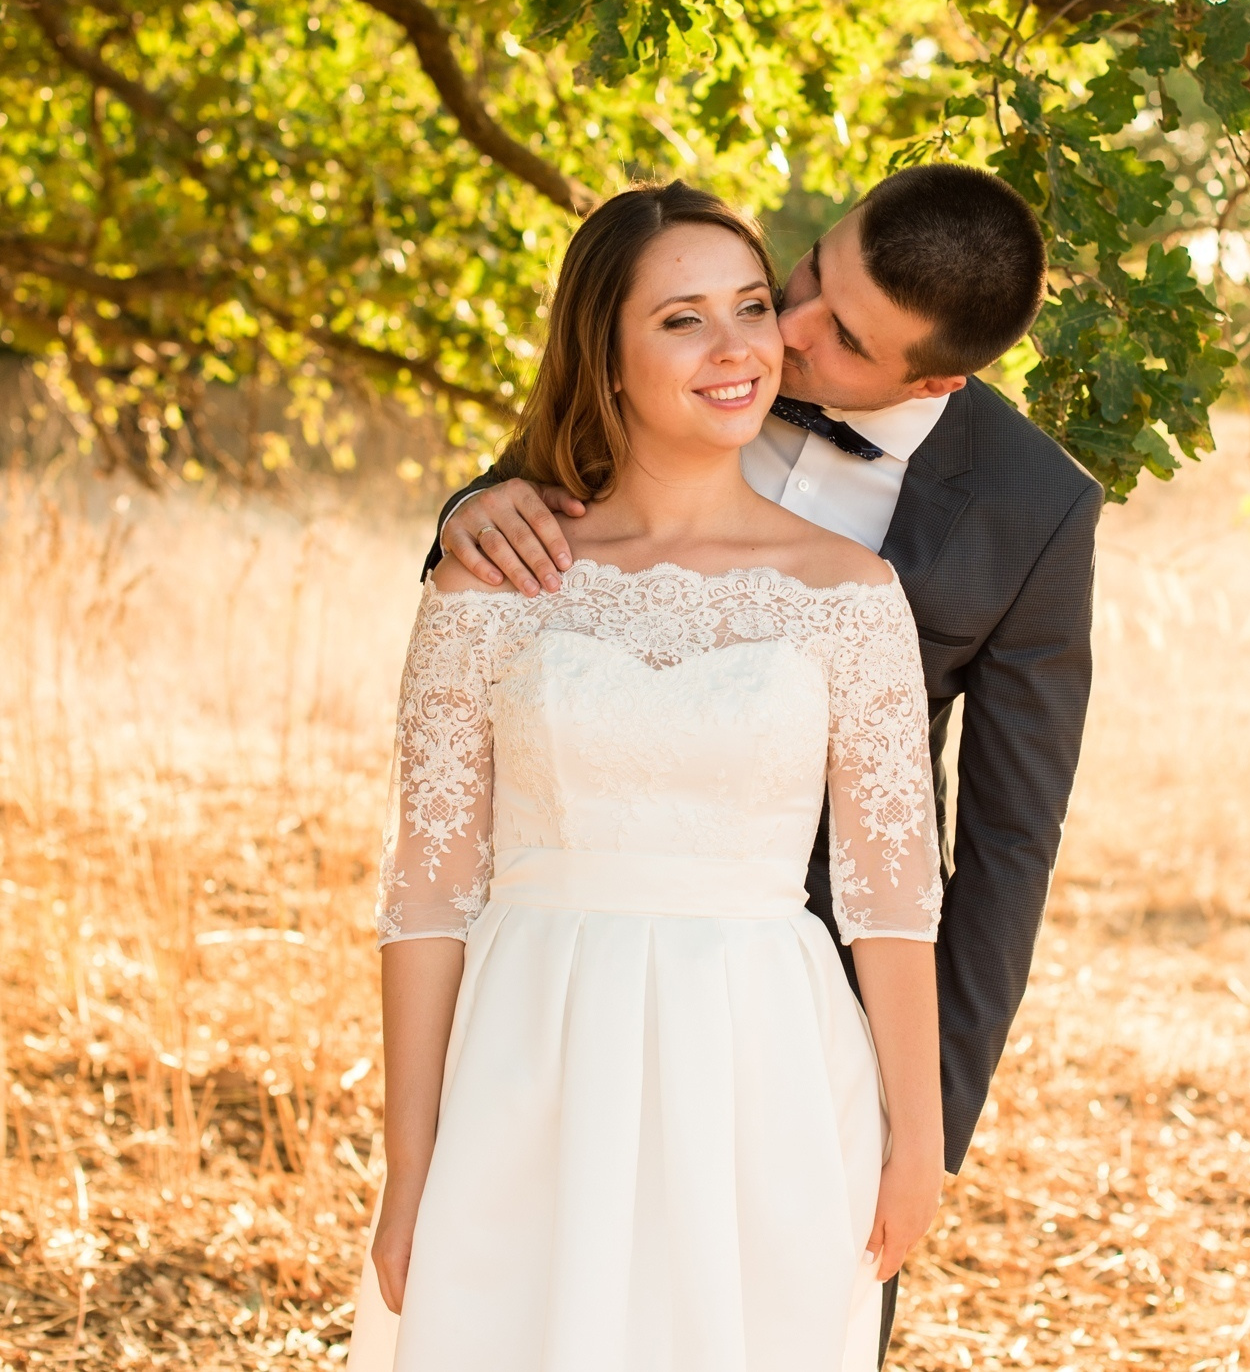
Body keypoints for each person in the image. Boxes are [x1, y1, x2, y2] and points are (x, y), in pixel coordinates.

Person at [429, 164, 1104, 1356]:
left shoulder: (1031, 511)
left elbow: (1005, 848)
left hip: (796, 1013)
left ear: (936, 377)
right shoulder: (715, 334)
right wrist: (468, 511)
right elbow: (561, 470)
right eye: (804, 277)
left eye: (840, 336)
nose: (783, 335)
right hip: (565, 979)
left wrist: (922, 1133)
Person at [352, 182, 945, 1372]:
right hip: (534, 1050)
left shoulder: (854, 596)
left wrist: (916, 1141)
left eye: (750, 306)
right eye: (682, 319)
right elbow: (426, 896)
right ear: (605, 355)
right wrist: (410, 1167)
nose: (738, 348)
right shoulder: (489, 583)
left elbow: (890, 900)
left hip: (763, 1059)